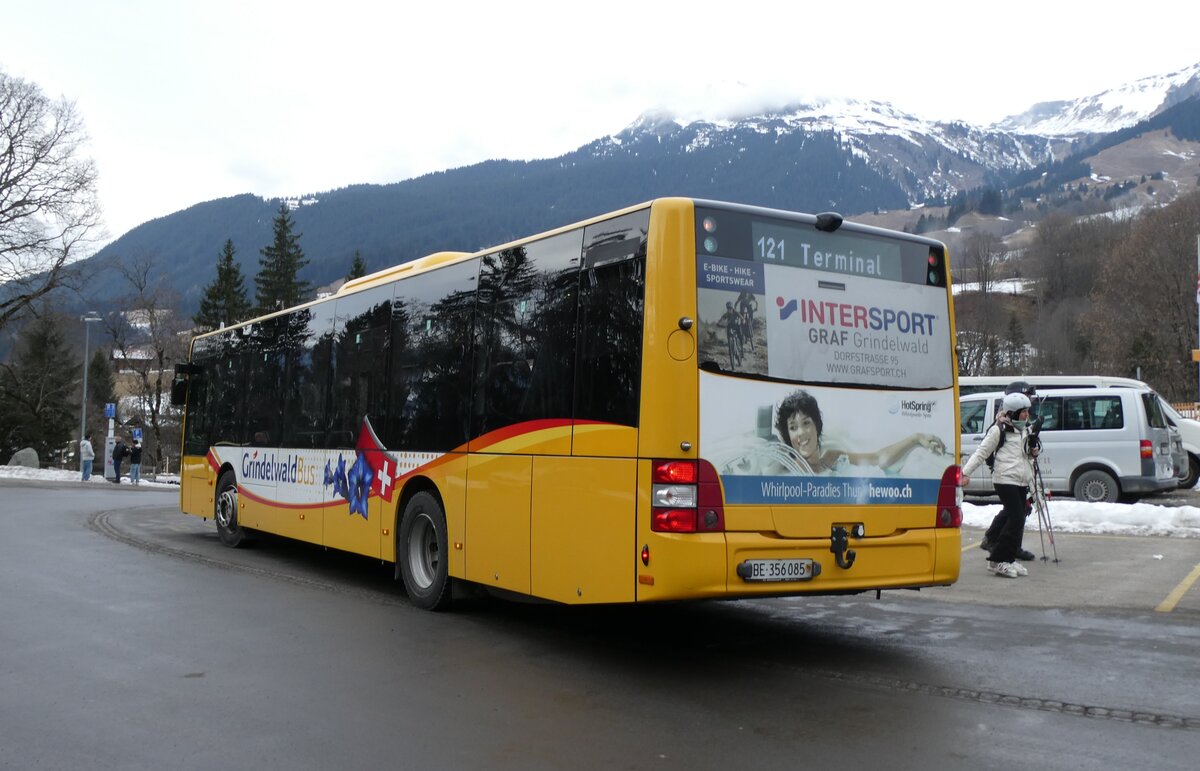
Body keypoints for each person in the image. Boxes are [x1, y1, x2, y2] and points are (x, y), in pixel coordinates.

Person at [961, 392, 1040, 578]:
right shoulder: (998, 430)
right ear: (1012, 412)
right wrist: (965, 473)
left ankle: (1009, 558)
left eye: (1028, 411)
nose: (1027, 415)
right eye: (1023, 412)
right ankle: (997, 560)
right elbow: (981, 452)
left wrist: (1033, 452)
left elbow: (1026, 457)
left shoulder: (1025, 430)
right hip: (1004, 479)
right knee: (1016, 519)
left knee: (1019, 518)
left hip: (1020, 480)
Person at [774, 389, 946, 474]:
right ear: (787, 434)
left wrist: (915, 438)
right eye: (793, 427)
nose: (801, 433)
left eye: (806, 423)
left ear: (816, 426)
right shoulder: (784, 471)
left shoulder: (832, 459)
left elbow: (878, 459)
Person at [979, 381, 1039, 562]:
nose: (1028, 404)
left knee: (1018, 511)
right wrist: (994, 466)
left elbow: (1025, 449)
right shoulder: (1001, 425)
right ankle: (999, 546)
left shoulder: (1022, 422)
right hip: (1007, 475)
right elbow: (986, 449)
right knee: (1016, 513)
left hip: (1021, 473)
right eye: (1025, 398)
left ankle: (1004, 544)